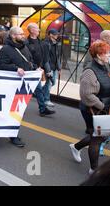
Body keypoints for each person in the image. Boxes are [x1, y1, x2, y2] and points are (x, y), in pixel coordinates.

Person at [0, 26, 42, 148]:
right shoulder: (6, 49)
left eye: (23, 34)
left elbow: (29, 61)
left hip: (23, 86)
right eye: (20, 34)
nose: (23, 36)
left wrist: (34, 68)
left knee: (18, 111)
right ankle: (12, 135)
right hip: (11, 86)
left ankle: (11, 132)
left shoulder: (25, 47)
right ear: (13, 36)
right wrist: (15, 69)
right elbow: (0, 65)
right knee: (12, 111)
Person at [69, 40, 110, 175]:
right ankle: (94, 170)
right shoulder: (89, 72)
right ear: (98, 55)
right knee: (98, 138)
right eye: (106, 53)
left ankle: (76, 147)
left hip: (103, 108)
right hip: (92, 109)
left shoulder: (106, 66)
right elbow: (86, 95)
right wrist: (102, 105)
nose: (109, 55)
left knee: (98, 135)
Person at [26, 23, 55, 116]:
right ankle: (42, 108)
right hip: (29, 70)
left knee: (37, 89)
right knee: (31, 89)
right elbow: (26, 58)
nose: (39, 30)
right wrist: (34, 67)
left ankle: (42, 109)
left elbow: (44, 58)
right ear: (32, 30)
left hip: (38, 70)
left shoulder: (40, 42)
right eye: (37, 28)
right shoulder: (26, 43)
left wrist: (46, 70)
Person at [42, 29, 62, 108]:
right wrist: (48, 70)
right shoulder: (46, 44)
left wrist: (59, 68)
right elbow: (45, 59)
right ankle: (46, 100)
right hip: (49, 68)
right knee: (49, 83)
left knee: (53, 83)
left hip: (54, 68)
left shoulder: (55, 44)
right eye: (55, 34)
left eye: (57, 34)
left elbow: (57, 57)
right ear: (50, 34)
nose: (57, 35)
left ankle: (39, 91)